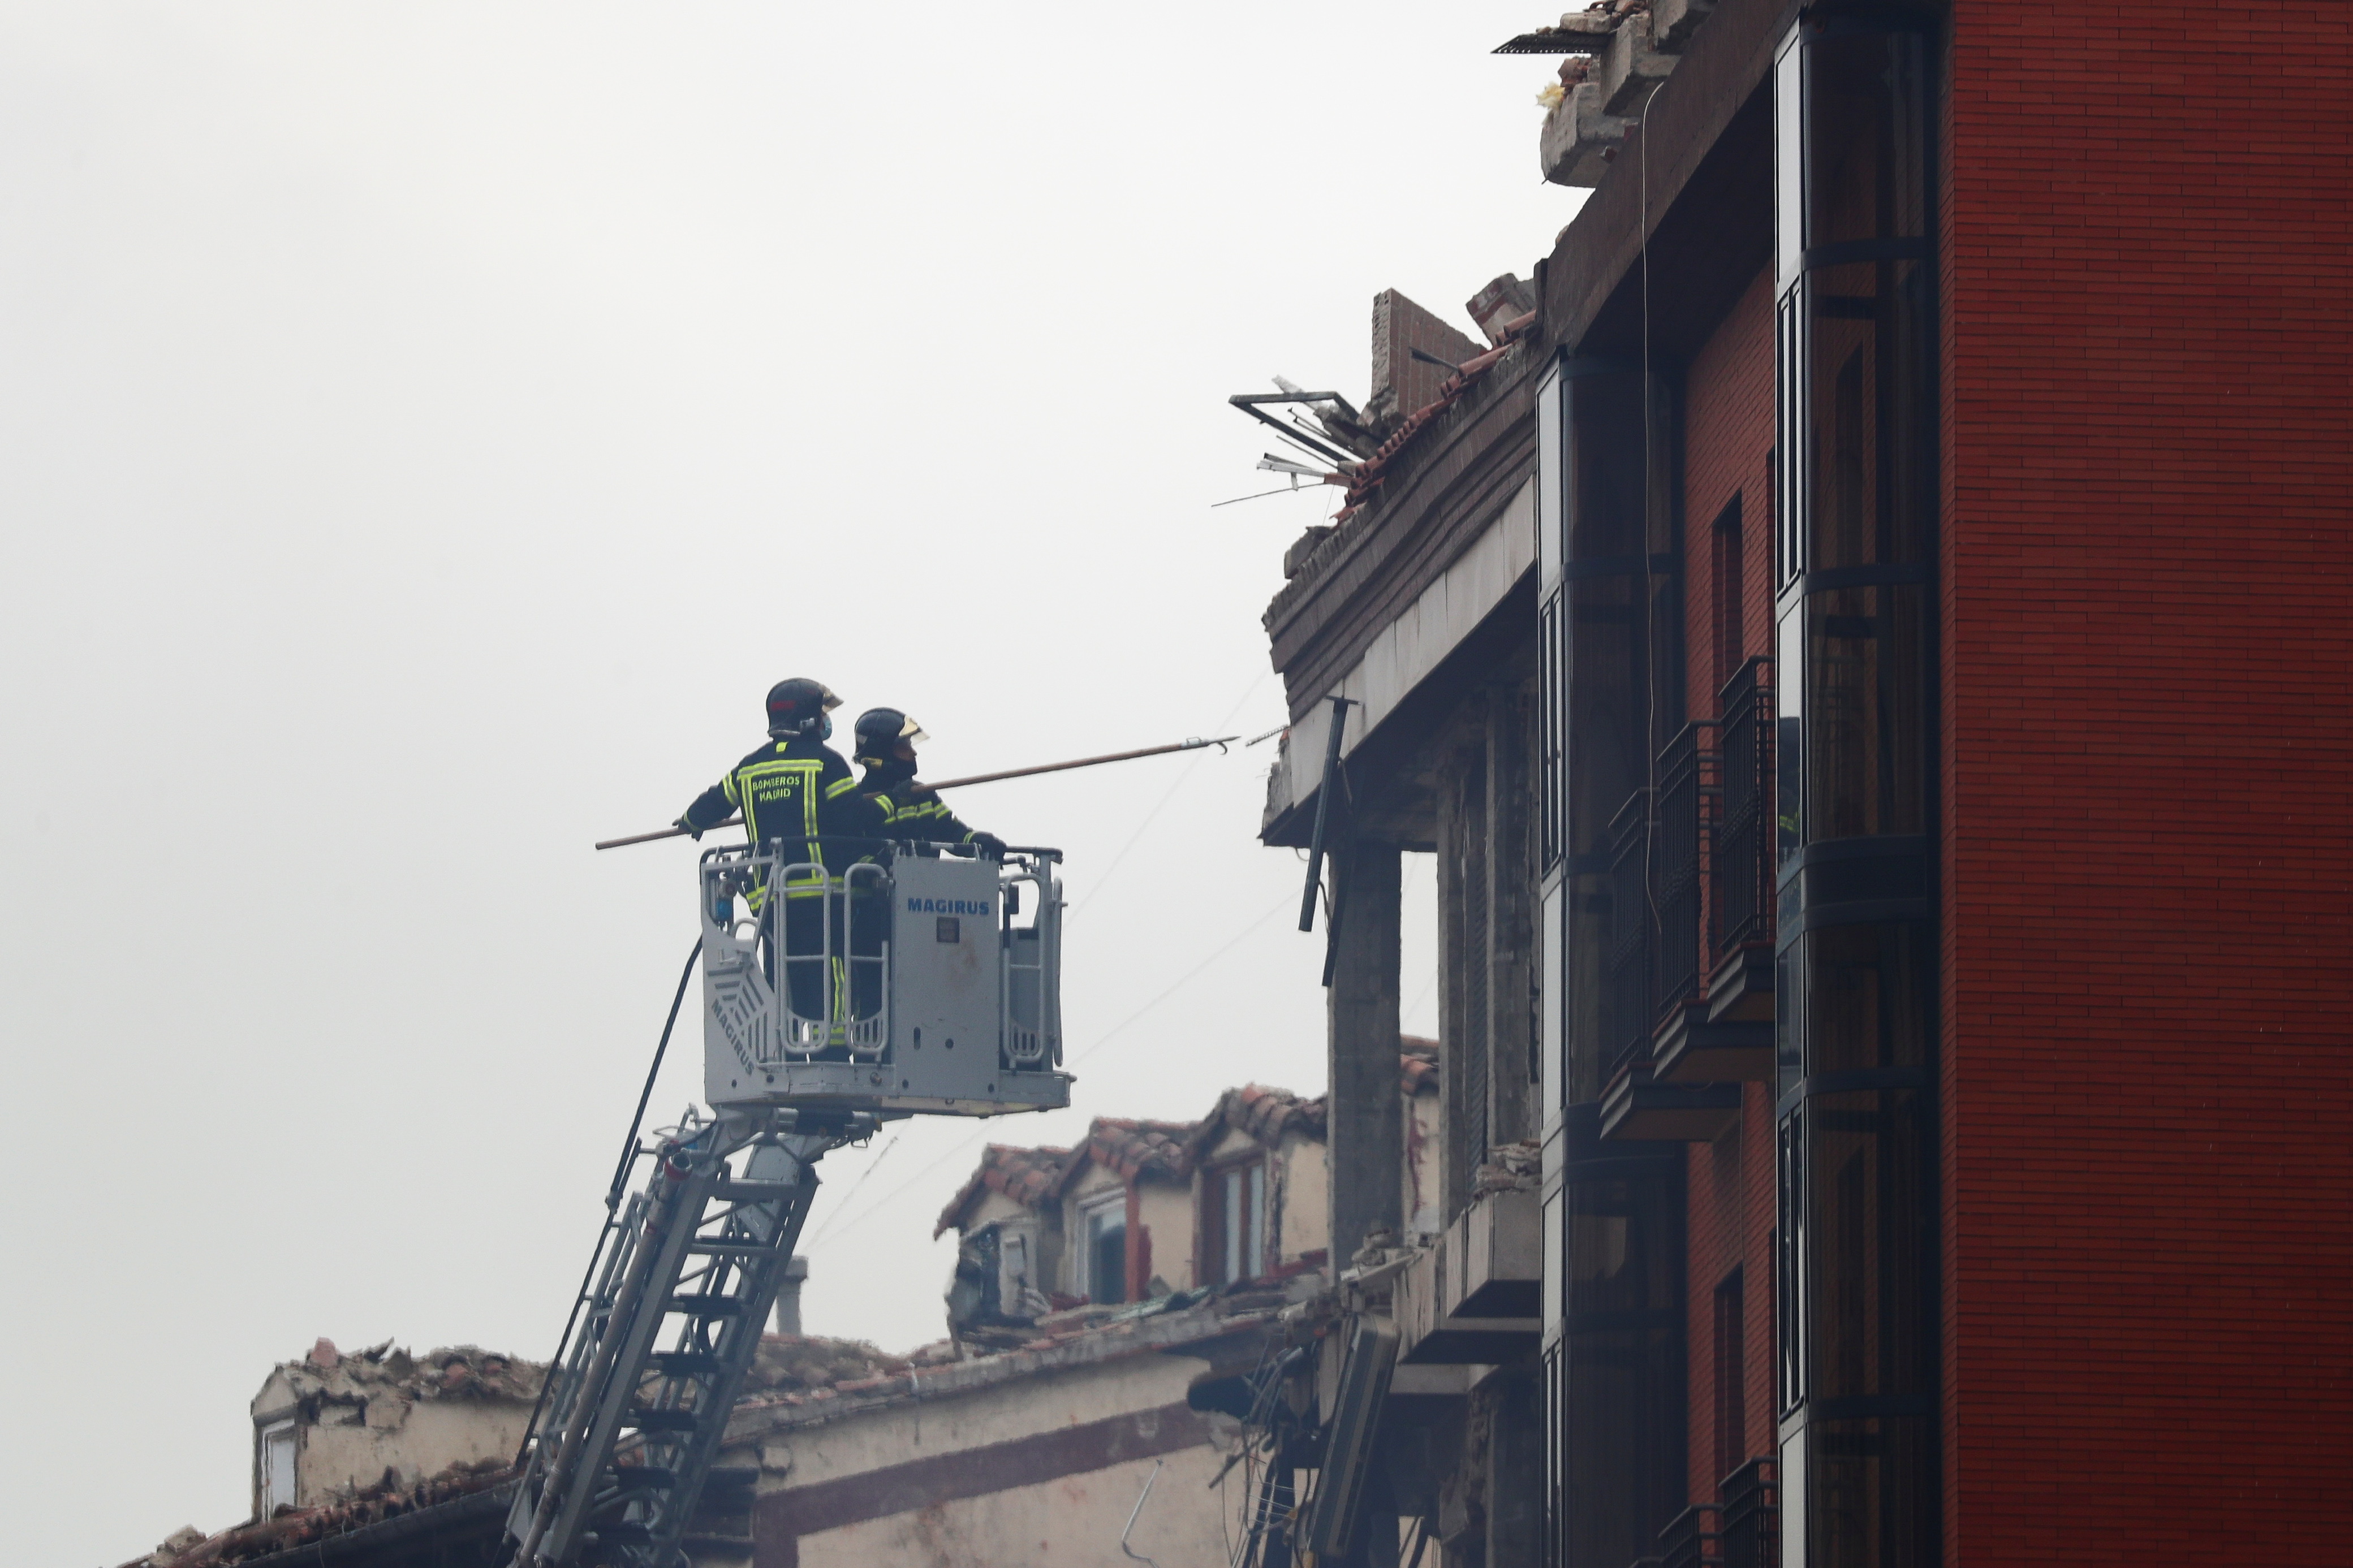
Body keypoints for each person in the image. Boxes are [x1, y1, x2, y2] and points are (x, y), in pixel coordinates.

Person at [676, 679, 883, 1033]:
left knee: (782, 980)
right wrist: (889, 804)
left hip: (771, 901)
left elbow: (714, 803)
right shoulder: (826, 764)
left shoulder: (750, 767)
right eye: (821, 713)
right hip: (824, 896)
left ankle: (785, 1047)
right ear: (807, 718)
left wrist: (690, 820)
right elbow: (855, 819)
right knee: (830, 980)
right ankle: (829, 1058)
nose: (824, 721)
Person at [850, 707, 1005, 858]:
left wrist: (977, 841)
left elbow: (952, 833)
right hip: (877, 884)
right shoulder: (858, 802)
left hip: (925, 884)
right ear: (881, 752)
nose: (914, 753)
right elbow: (853, 855)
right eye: (904, 747)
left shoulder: (923, 796)